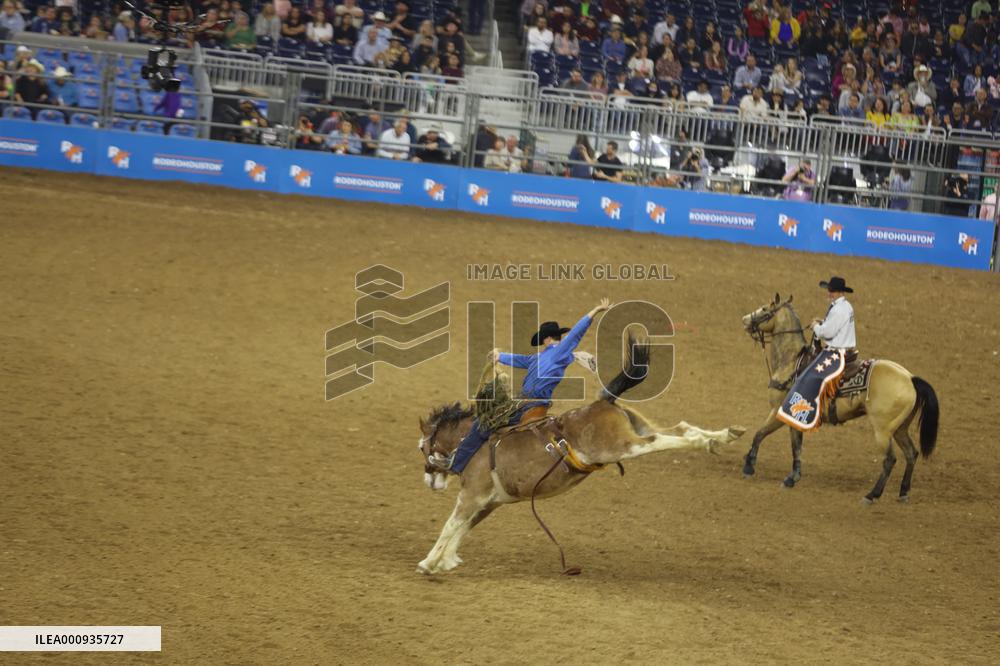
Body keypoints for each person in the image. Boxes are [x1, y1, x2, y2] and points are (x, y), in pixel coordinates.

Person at [432, 299, 612, 473]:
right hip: (527, 401)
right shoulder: (543, 357)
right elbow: (520, 359)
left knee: (483, 422)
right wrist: (499, 356)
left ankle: (455, 464)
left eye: (543, 339)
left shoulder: (557, 352)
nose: (543, 342)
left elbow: (576, 333)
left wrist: (594, 311)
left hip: (528, 403)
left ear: (547, 338)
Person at [776, 277, 857, 432]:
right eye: (829, 290)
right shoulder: (845, 306)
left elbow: (827, 333)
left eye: (832, 291)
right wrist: (823, 322)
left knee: (810, 376)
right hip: (844, 349)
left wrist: (816, 327)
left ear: (840, 292)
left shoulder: (839, 310)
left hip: (836, 353)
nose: (829, 293)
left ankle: (802, 410)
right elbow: (835, 327)